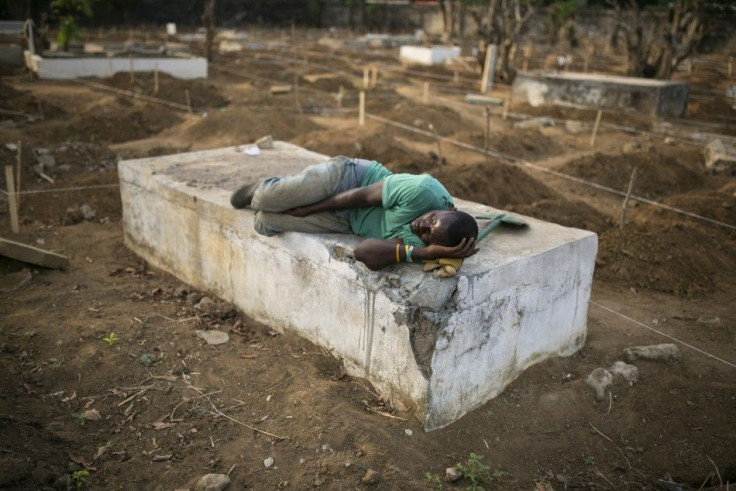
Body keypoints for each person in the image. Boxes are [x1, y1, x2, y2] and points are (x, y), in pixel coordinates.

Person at [230, 156, 478, 270]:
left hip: (346, 221)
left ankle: (276, 200)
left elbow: (364, 252)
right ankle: (260, 188)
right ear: (448, 209)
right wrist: (311, 208)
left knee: (264, 222)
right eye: (431, 219)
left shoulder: (425, 242)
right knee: (266, 199)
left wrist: (424, 253)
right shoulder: (423, 190)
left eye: (426, 235)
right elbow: (362, 196)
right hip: (348, 181)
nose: (420, 226)